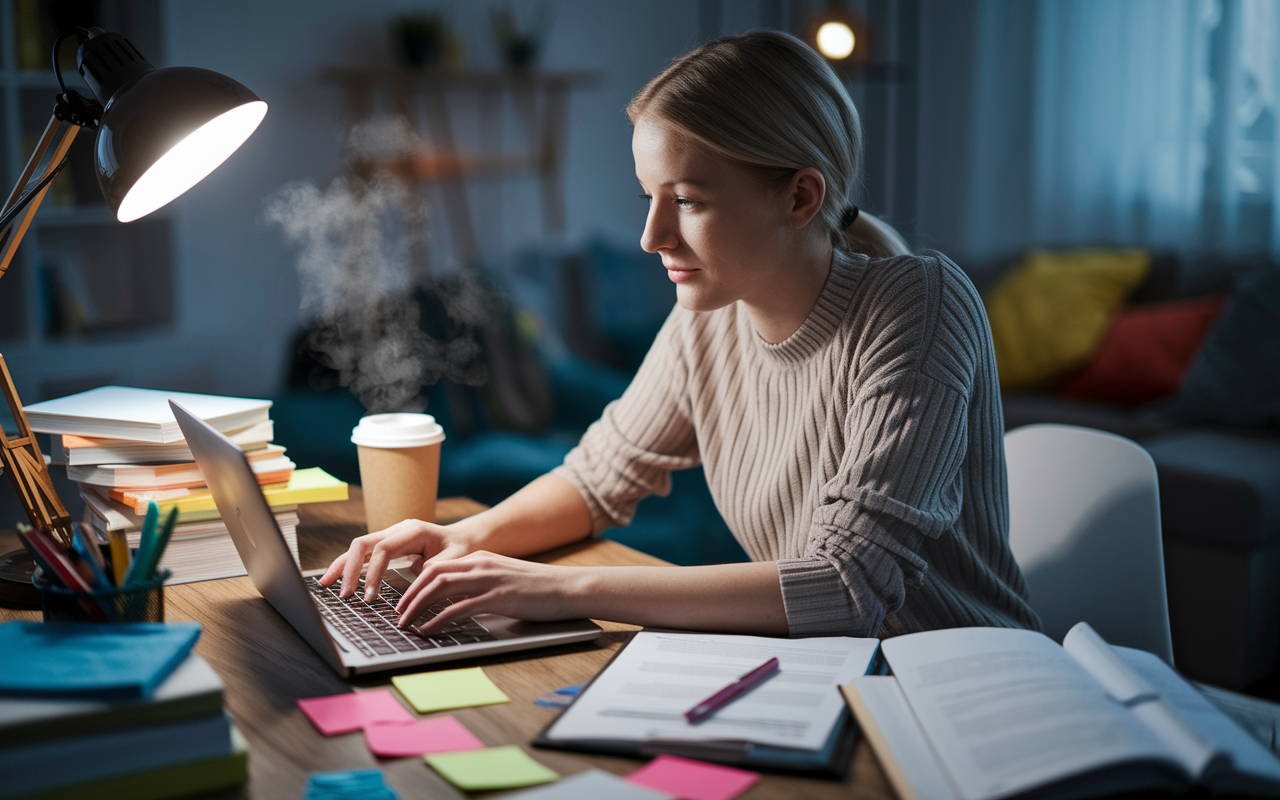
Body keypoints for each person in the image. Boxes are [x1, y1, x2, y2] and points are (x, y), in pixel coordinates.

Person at [320, 30, 1040, 639]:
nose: (650, 236)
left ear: (800, 196)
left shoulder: (919, 304)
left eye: (688, 201)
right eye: (650, 198)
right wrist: (464, 539)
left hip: (961, 690)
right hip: (834, 676)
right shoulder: (708, 317)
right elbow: (599, 478)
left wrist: (557, 591)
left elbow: (848, 587)